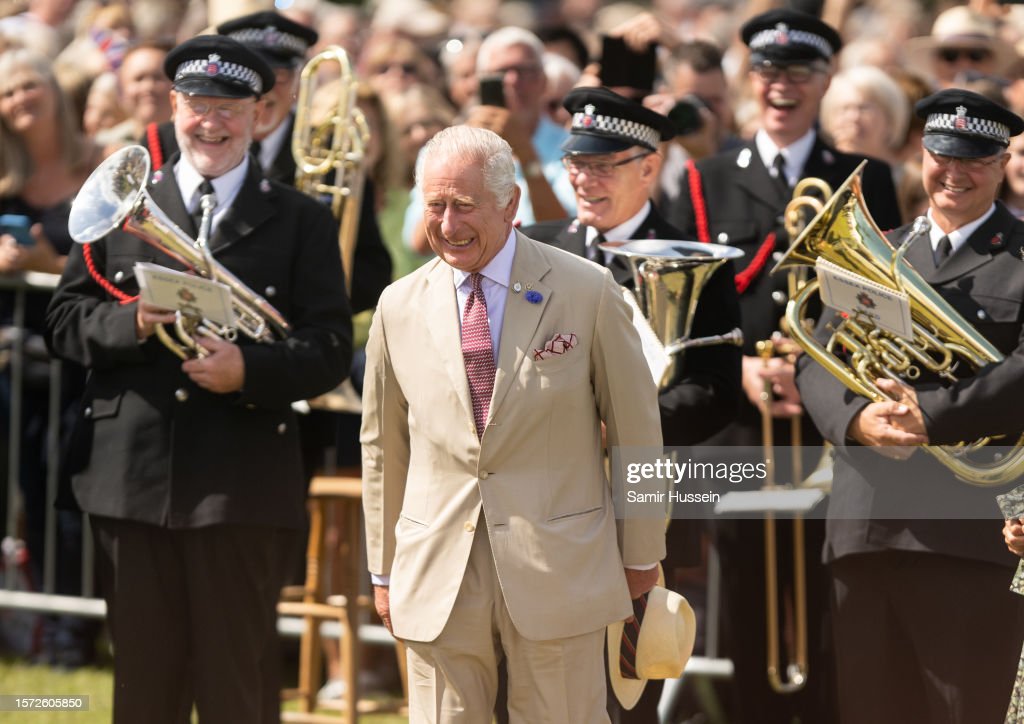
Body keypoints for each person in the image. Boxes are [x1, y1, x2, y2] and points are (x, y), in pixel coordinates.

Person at [45, 35, 353, 722]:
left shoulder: (301, 219)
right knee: (143, 688)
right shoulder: (122, 203)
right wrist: (132, 324)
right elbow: (64, 319)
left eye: (230, 108)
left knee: (235, 686)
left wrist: (250, 368)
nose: (212, 123)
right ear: (174, 106)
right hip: (130, 477)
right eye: (198, 106)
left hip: (239, 482)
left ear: (260, 114)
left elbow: (329, 346)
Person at [361, 124, 665, 723]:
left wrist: (642, 554)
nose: (448, 226)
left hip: (561, 566)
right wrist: (383, 566)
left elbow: (638, 435)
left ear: (510, 205)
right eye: (436, 206)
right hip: (436, 569)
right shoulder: (397, 305)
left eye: (465, 206)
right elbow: (382, 446)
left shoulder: (587, 290)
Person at [665, 9, 901, 724]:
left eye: (800, 74)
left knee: (835, 594)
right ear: (749, 79)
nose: (782, 87)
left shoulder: (868, 179)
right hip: (741, 424)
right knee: (743, 602)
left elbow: (886, 307)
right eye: (768, 72)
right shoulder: (704, 180)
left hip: (831, 427)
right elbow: (688, 313)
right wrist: (736, 369)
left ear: (825, 81)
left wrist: (822, 368)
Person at [795, 89, 1024, 724]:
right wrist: (855, 421)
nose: (954, 172)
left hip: (971, 534)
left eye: (975, 158)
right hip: (864, 523)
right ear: (920, 153)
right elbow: (813, 356)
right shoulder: (876, 249)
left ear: (1004, 161)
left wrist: (936, 415)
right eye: (940, 154)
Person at [523, 85, 741, 723]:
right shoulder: (533, 249)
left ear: (649, 167)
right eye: (577, 163)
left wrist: (617, 429)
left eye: (603, 166)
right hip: (539, 506)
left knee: (622, 695)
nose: (584, 179)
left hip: (633, 511)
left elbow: (714, 393)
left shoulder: (694, 260)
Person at [0, 47, 106, 667]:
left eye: (28, 86)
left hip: (84, 358)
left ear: (54, 91)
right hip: (17, 365)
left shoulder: (97, 165)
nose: (19, 100)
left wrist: (46, 268)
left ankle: (80, 629)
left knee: (74, 498)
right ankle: (52, 627)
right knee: (32, 494)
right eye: (8, 92)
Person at [406, 26, 576, 254]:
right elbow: (420, 244)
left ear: (544, 81)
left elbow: (566, 234)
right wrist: (465, 158)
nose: (513, 81)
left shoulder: (572, 147)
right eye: (501, 73)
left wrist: (526, 155)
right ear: (478, 82)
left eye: (525, 71)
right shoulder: (442, 150)